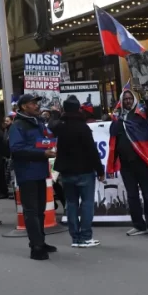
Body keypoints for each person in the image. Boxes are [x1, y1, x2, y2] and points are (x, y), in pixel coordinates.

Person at [49, 95, 105, 248]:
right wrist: (100, 170)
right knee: (86, 203)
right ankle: (86, 236)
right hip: (85, 170)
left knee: (71, 204)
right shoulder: (83, 127)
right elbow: (92, 151)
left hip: (67, 171)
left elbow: (51, 125)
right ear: (78, 109)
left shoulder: (61, 126)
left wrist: (55, 114)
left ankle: (75, 238)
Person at [8, 94, 57, 260]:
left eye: (37, 103)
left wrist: (50, 143)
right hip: (27, 173)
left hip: (40, 171)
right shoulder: (18, 125)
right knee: (31, 211)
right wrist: (42, 153)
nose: (37, 105)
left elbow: (44, 140)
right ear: (23, 107)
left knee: (40, 210)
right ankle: (36, 247)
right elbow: (17, 149)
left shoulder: (38, 122)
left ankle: (40, 241)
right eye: (33, 103)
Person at [109, 86, 148, 236]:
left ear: (135, 100)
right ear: (121, 102)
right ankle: (139, 225)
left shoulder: (141, 114)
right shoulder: (117, 120)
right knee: (132, 196)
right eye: (125, 99)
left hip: (142, 163)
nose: (128, 101)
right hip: (126, 165)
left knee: (147, 194)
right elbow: (114, 143)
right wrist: (112, 163)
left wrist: (145, 94)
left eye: (130, 98)